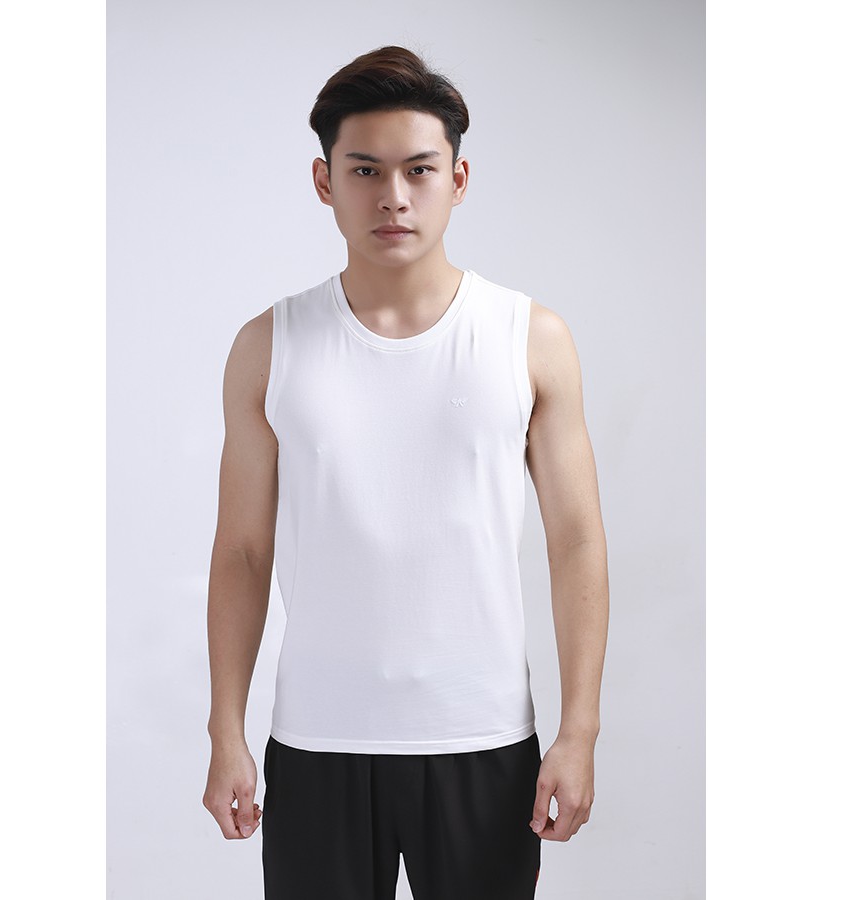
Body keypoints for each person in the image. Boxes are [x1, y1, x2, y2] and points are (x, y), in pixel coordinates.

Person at [202, 45, 609, 899]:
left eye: (419, 170)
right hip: (317, 742)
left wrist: (579, 732)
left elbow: (576, 541)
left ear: (458, 180)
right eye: (365, 170)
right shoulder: (268, 347)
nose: (393, 196)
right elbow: (242, 551)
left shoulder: (529, 339)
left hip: (482, 739)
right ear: (325, 181)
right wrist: (225, 731)